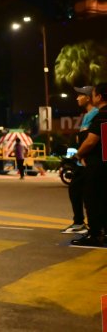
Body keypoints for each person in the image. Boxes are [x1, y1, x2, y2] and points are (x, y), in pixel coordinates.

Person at [71, 82, 107, 247]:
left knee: (92, 199)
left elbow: (92, 141)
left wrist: (79, 154)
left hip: (97, 164)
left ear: (99, 96)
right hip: (103, 162)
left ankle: (95, 234)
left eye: (93, 95)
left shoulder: (101, 115)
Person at [61, 86, 96, 235]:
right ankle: (83, 223)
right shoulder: (88, 115)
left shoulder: (95, 114)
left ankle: (88, 226)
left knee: (83, 192)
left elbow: (91, 140)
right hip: (84, 160)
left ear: (88, 97)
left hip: (88, 161)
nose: (77, 98)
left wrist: (80, 156)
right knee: (77, 189)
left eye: (80, 95)